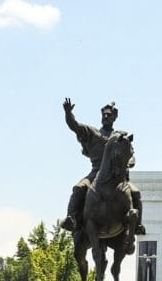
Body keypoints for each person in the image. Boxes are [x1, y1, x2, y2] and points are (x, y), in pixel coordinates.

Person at [60, 97, 144, 236]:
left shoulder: (121, 137)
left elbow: (130, 155)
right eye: (104, 114)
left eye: (109, 115)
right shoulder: (93, 134)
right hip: (96, 173)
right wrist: (68, 113)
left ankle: (138, 225)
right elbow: (74, 125)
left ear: (114, 118)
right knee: (78, 188)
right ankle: (72, 219)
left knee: (136, 193)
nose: (106, 116)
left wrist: (127, 163)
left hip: (118, 176)